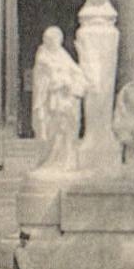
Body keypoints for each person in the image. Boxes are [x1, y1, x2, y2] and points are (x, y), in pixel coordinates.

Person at [31, 27, 89, 174]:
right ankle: (52, 161)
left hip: (66, 99)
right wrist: (59, 82)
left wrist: (72, 84)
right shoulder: (43, 57)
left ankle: (65, 160)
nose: (54, 42)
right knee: (54, 131)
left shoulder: (63, 55)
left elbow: (76, 72)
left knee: (66, 130)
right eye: (50, 39)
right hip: (53, 100)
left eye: (56, 39)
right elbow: (43, 81)